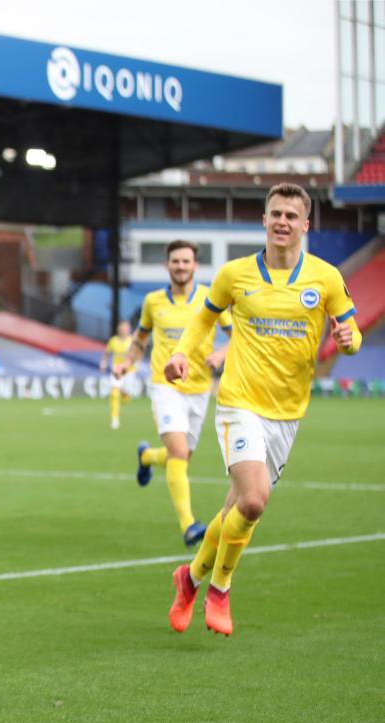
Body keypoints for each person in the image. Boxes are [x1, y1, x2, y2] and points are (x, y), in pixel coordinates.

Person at [164, 183, 359, 636]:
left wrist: (350, 342)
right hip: (238, 403)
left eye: (292, 216)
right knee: (253, 501)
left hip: (287, 414)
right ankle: (220, 588)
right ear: (264, 220)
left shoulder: (326, 278)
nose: (282, 222)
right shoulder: (235, 274)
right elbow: (205, 318)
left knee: (234, 507)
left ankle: (189, 578)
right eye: (275, 214)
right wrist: (183, 354)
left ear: (305, 224)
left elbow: (350, 329)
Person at [115, 240, 231, 548]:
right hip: (165, 386)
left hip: (199, 389)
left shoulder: (209, 297)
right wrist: (126, 363)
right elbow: (140, 340)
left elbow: (237, 336)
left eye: (186, 261)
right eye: (175, 261)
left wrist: (221, 353)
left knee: (180, 457)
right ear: (167, 265)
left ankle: (147, 456)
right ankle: (189, 525)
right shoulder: (153, 301)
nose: (181, 266)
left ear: (195, 266)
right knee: (180, 453)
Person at [100, 320, 134, 429]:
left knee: (126, 396)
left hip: (129, 371)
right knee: (114, 393)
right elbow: (107, 353)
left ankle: (125, 395)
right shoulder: (113, 341)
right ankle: (115, 419)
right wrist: (104, 362)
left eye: (126, 328)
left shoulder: (132, 341)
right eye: (122, 328)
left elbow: (138, 354)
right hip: (116, 370)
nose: (124, 330)